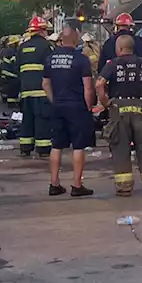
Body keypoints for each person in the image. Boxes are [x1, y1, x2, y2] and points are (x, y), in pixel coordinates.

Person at [96, 34, 142, 196]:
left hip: (119, 108)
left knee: (120, 148)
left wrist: (105, 102)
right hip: (140, 107)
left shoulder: (112, 64)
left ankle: (124, 187)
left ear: (119, 49)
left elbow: (99, 84)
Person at [43, 23, 96, 197]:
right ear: (74, 39)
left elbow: (45, 83)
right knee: (78, 146)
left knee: (57, 145)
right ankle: (77, 185)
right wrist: (89, 107)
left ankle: (54, 183)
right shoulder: (81, 59)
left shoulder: (50, 58)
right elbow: (88, 87)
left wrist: (54, 100)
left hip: (58, 106)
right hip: (77, 107)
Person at [17, 17, 54, 158]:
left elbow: (17, 69)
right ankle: (43, 149)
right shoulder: (47, 46)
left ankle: (25, 147)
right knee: (42, 120)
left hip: (26, 91)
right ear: (42, 30)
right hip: (41, 91)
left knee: (27, 119)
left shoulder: (22, 47)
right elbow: (51, 68)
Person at [0, 35, 21, 114]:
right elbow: (14, 63)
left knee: (9, 90)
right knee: (13, 90)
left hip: (6, 73)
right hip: (11, 74)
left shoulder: (5, 51)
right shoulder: (12, 52)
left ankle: (10, 103)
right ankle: (12, 105)